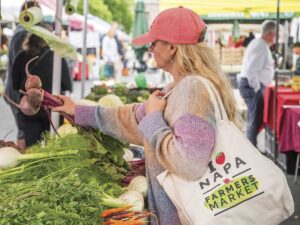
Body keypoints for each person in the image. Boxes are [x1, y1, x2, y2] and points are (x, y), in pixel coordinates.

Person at [53, 6, 239, 225]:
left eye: (154, 42)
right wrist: (77, 110)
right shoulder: (178, 86)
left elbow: (189, 163)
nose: (150, 48)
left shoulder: (192, 91)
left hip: (184, 217)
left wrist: (154, 119)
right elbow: (133, 118)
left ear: (171, 47)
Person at [11, 32, 73, 148]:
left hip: (29, 112)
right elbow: (68, 85)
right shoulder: (56, 57)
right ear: (46, 42)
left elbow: (15, 85)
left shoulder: (20, 57)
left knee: (33, 147)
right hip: (53, 110)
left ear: (28, 41)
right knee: (53, 145)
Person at [4, 0, 40, 149]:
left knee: (24, 130)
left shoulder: (21, 32)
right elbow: (22, 69)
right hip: (19, 91)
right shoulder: (23, 33)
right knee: (25, 133)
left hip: (17, 89)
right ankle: (21, 159)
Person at [238, 20, 276, 146]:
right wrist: (257, 88)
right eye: (275, 34)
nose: (275, 38)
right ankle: (251, 150)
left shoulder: (261, 45)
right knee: (254, 120)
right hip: (252, 86)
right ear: (270, 33)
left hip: (252, 85)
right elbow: (251, 70)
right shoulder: (260, 46)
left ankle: (251, 148)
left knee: (254, 119)